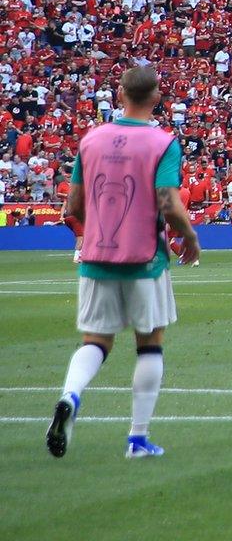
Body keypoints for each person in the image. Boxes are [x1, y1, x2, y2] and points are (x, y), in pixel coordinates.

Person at [46, 66, 202, 460]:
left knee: (95, 341)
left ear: (119, 93)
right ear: (156, 97)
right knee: (149, 343)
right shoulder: (163, 142)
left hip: (97, 257)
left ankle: (70, 395)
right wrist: (190, 236)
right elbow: (168, 201)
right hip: (144, 258)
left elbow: (74, 205)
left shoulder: (91, 140)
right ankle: (137, 439)